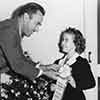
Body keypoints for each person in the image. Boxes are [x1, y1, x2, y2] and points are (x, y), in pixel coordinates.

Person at [0, 2, 60, 100]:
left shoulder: (13, 29)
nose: (37, 29)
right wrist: (44, 73)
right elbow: (18, 64)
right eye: (37, 24)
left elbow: (21, 58)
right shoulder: (9, 31)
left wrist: (45, 67)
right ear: (26, 17)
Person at [47, 27, 96, 100]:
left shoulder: (82, 63)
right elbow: (52, 80)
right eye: (62, 40)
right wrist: (51, 86)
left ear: (75, 43)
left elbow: (91, 83)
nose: (62, 43)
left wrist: (74, 82)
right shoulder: (58, 62)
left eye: (66, 40)